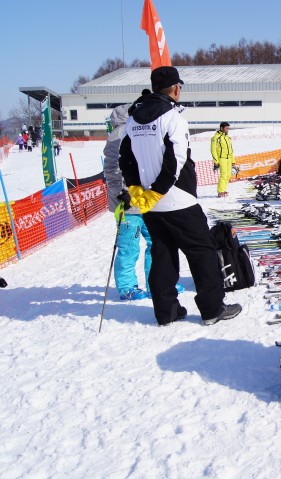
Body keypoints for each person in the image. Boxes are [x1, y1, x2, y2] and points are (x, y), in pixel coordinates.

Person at [119, 65, 241, 327]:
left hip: (151, 203)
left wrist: (137, 189)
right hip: (178, 198)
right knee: (202, 252)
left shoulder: (133, 118)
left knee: (162, 253)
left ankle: (166, 311)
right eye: (180, 87)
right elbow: (176, 160)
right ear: (175, 89)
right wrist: (157, 190)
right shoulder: (173, 118)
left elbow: (125, 159)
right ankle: (212, 309)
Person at [103, 103, 153, 301]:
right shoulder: (119, 133)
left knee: (156, 243)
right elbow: (112, 170)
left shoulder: (137, 129)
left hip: (143, 198)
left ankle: (155, 281)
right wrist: (120, 193)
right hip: (127, 202)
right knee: (129, 247)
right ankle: (127, 286)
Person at [210, 122, 234, 197]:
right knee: (223, 175)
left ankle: (224, 190)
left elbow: (231, 150)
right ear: (221, 128)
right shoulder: (216, 138)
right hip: (222, 159)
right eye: (226, 128)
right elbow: (213, 150)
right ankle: (220, 191)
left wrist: (233, 161)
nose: (228, 130)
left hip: (229, 159)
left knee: (228, 175)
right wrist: (216, 161)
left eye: (228, 128)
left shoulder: (227, 138)